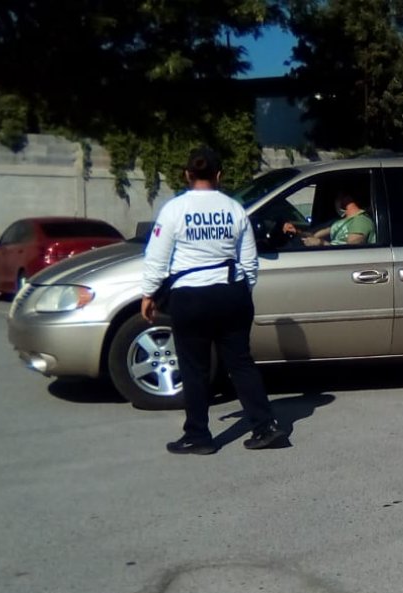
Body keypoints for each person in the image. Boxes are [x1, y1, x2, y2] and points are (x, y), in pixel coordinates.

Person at [140, 146, 283, 455]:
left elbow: (157, 259)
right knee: (241, 363)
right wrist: (243, 291)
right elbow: (250, 262)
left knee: (195, 368)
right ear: (219, 175)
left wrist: (149, 293)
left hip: (190, 297)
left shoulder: (174, 210)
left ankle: (198, 436)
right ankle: (265, 427)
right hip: (231, 294)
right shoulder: (234, 209)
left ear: (187, 175)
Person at [282, 191, 376, 246]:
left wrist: (321, 243)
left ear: (347, 200)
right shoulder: (342, 222)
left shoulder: (361, 221)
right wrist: (297, 231)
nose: (335, 202)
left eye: (338, 198)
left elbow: (350, 252)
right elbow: (315, 235)